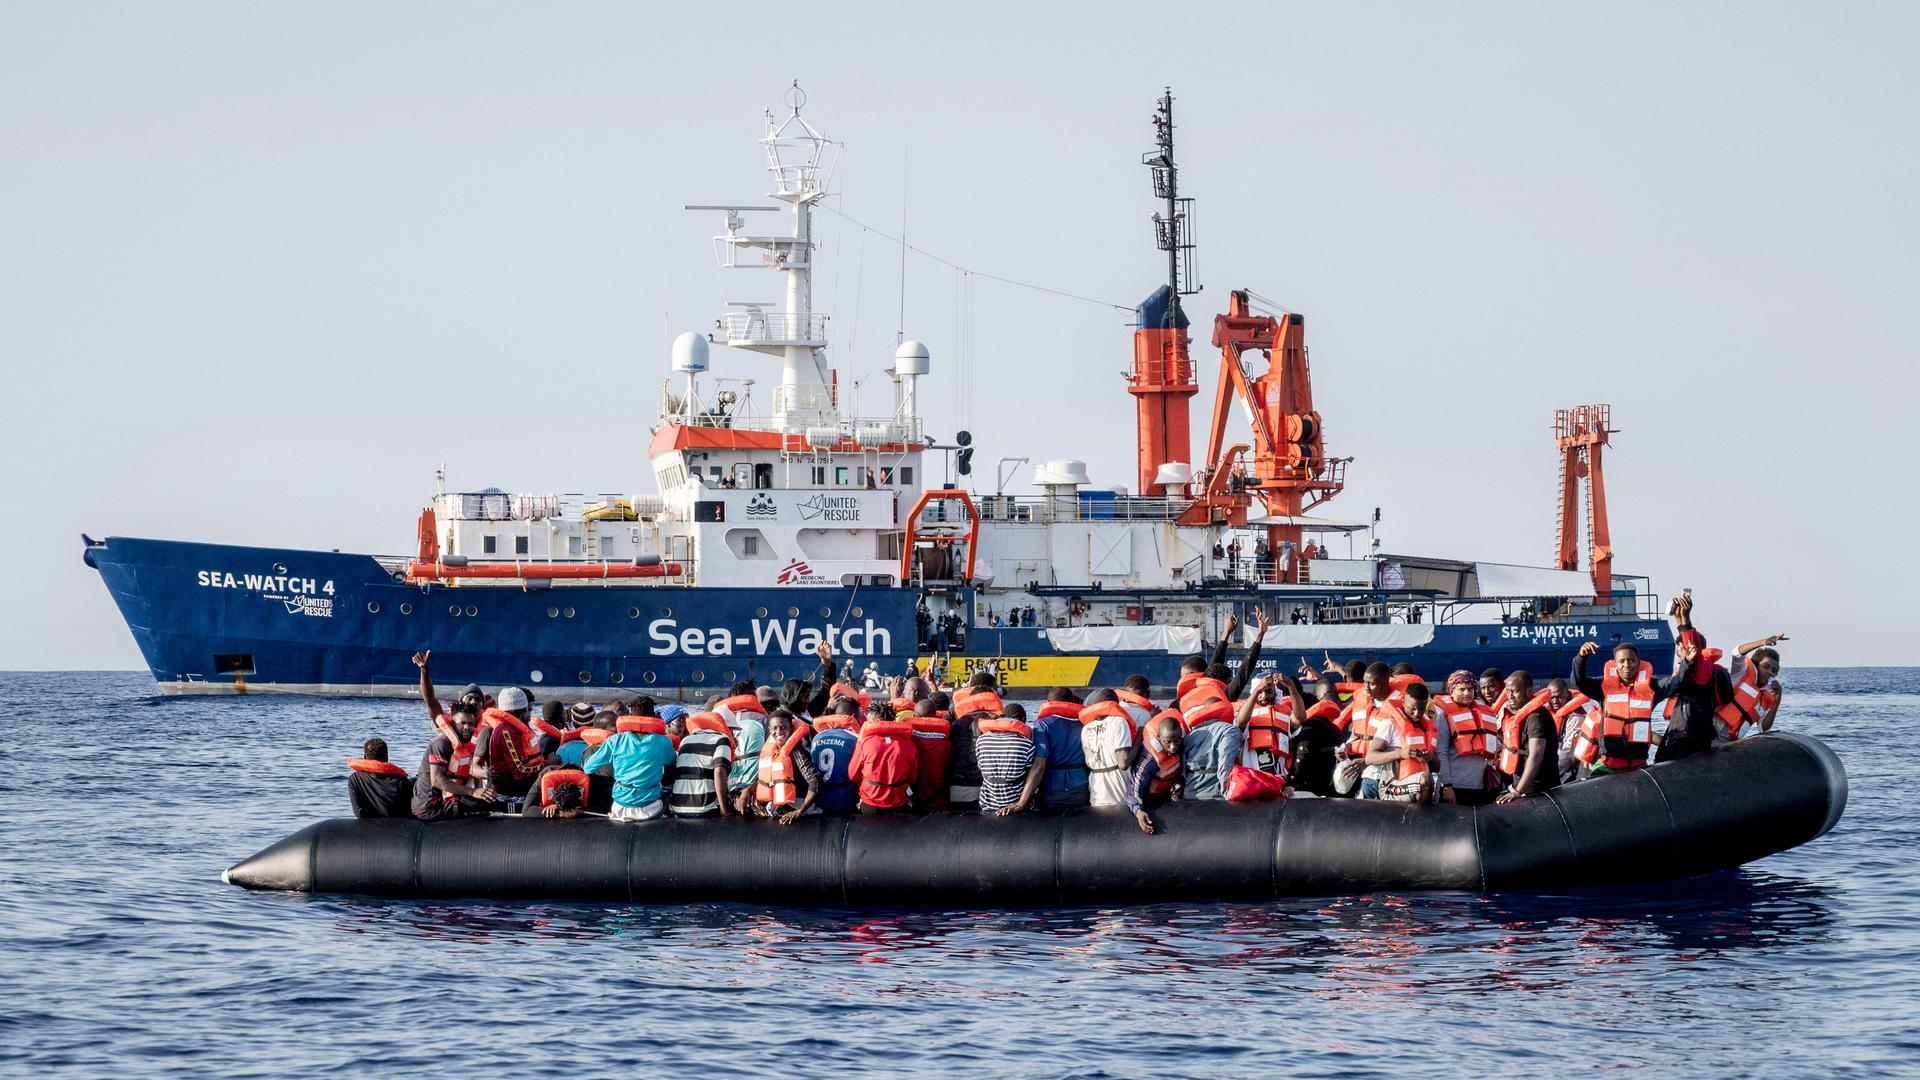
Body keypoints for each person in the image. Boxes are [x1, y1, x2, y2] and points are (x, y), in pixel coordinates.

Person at [1569, 640, 1669, 775]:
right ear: (1615, 665)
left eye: (1631, 660)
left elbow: (1677, 682)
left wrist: (1688, 660)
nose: (1627, 665)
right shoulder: (1603, 687)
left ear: (1638, 662)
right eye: (1622, 661)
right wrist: (1581, 658)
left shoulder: (1653, 689)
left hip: (1638, 766)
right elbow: (1579, 682)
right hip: (1608, 766)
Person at [584, 710, 677, 822]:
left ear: (630, 717)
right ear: (654, 719)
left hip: (620, 807)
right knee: (669, 791)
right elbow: (672, 762)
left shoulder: (615, 740)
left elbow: (588, 767)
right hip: (651, 809)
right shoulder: (663, 741)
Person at [412, 708, 497, 820]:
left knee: (488, 800)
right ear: (452, 724)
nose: (467, 727)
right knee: (486, 804)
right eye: (462, 723)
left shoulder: (465, 746)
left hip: (446, 799)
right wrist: (473, 792)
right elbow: (436, 780)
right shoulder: (441, 744)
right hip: (429, 807)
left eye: (471, 724)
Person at [1433, 670, 1500, 805]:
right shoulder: (1443, 717)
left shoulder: (1483, 712)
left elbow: (1495, 745)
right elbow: (1442, 753)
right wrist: (1447, 785)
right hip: (1455, 786)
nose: (1467, 693)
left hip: (1479, 786)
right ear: (1451, 691)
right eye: (1461, 689)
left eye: (1470, 689)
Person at [1365, 681, 1438, 803]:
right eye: (1412, 708)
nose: (1417, 713)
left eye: (1421, 709)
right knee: (1426, 780)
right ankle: (1422, 818)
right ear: (1403, 702)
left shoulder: (1427, 728)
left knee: (1431, 782)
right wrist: (1400, 754)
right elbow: (1370, 758)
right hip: (1392, 786)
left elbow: (1437, 767)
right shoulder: (1389, 724)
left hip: (1420, 786)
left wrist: (1432, 757)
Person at [1494, 671, 1559, 802]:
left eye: (1515, 691)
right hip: (1522, 784)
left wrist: (1518, 791)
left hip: (1537, 789)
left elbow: (1536, 755)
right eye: (1508, 692)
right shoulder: (1522, 715)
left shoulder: (1537, 718)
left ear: (1529, 692)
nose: (1510, 696)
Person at [847, 702, 918, 814]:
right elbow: (912, 778)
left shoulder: (865, 743)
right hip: (899, 804)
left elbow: (852, 775)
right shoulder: (909, 744)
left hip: (870, 805)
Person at [754, 709, 823, 824]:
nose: (779, 732)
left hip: (798, 805)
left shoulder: (797, 751)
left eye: (783, 727)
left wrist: (799, 811)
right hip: (779, 805)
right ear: (769, 730)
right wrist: (748, 790)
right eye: (774, 728)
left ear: (791, 729)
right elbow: (762, 779)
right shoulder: (772, 751)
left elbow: (815, 781)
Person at [975, 703, 1045, 815]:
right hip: (1015, 804)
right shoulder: (1026, 744)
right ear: (1022, 720)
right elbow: (1030, 774)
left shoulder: (981, 741)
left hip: (987, 802)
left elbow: (983, 771)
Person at [476, 686, 545, 799]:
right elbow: (519, 771)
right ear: (519, 710)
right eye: (527, 708)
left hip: (519, 789)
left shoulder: (514, 729)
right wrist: (547, 764)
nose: (529, 711)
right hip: (510, 795)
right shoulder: (507, 731)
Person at [1123, 712, 1185, 834]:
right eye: (1167, 742)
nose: (1173, 747)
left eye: (1176, 741)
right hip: (1151, 799)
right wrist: (1138, 811)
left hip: (1170, 797)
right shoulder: (1149, 759)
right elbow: (1135, 786)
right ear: (1159, 737)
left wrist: (1180, 782)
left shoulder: (1184, 745)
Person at [1029, 689, 1090, 810]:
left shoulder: (1042, 725)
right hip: (1081, 783)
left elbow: (1039, 765)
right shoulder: (1085, 723)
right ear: (1072, 702)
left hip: (1052, 785)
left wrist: (1022, 802)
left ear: (1048, 703)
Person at [668, 711, 736, 818]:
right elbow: (719, 772)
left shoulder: (685, 740)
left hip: (677, 807)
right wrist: (724, 810)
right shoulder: (722, 739)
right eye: (732, 730)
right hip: (705, 808)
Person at [1721, 634, 1787, 743]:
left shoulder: (1766, 697)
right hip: (1709, 730)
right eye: (1766, 666)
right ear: (1756, 665)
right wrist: (1763, 642)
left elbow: (1764, 728)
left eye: (1774, 670)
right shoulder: (1741, 673)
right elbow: (1736, 652)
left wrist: (1777, 701)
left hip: (1728, 743)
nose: (1770, 672)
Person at [1080, 689, 1139, 808]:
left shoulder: (1086, 728)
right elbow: (1123, 763)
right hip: (1117, 783)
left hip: (1096, 783)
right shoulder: (1119, 722)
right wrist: (1140, 737)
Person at [1179, 693, 1242, 800]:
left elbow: (1184, 768)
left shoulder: (1190, 735)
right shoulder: (1230, 730)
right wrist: (1227, 793)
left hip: (1190, 792)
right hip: (1215, 794)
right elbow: (1225, 764)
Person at [810, 698, 862, 815]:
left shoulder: (817, 737)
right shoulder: (856, 739)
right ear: (853, 716)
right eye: (859, 717)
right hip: (845, 799)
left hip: (820, 800)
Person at [1546, 677, 1595, 783]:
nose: (1555, 701)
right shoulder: (1550, 709)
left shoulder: (1576, 717)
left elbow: (1568, 753)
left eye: (1559, 697)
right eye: (1551, 697)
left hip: (1570, 769)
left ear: (1568, 694)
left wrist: (1550, 775)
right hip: (1554, 757)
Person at [347, 738, 411, 818]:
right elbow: (408, 811)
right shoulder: (401, 781)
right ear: (387, 757)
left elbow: (359, 813)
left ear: (364, 757)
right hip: (397, 825)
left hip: (368, 826)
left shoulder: (355, 779)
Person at [907, 699, 953, 813]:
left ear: (914, 716)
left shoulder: (908, 740)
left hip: (913, 803)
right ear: (935, 716)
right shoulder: (946, 742)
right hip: (940, 803)